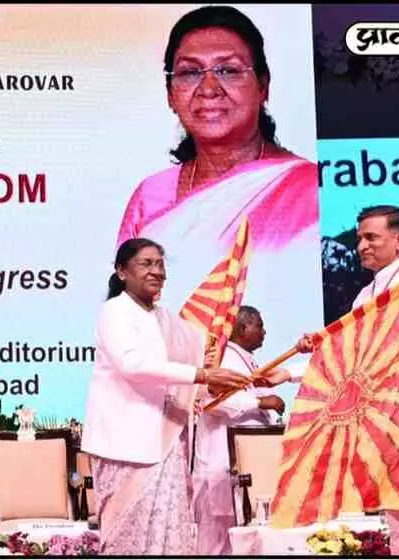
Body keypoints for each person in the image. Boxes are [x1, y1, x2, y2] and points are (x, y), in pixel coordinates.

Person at [259, 206, 399, 555]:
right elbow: (349, 358)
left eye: (371, 237)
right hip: (385, 428)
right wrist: (292, 370)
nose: (362, 246)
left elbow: (385, 344)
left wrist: (330, 337)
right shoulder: (365, 295)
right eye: (360, 238)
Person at [115, 5, 321, 361]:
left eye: (228, 70)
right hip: (169, 378)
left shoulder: (308, 187)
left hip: (283, 372)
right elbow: (126, 307)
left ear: (263, 85)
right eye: (189, 72)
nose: (209, 89)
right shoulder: (151, 195)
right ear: (170, 93)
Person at [80, 237, 252, 555]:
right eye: (146, 263)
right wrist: (201, 375)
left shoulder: (167, 320)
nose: (156, 271)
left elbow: (191, 367)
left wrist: (217, 381)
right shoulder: (115, 311)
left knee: (169, 533)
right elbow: (132, 365)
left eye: (160, 264)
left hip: (167, 441)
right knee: (125, 538)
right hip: (124, 443)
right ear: (121, 271)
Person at [192, 305, 286, 555]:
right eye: (260, 325)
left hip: (246, 467)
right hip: (221, 462)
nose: (264, 332)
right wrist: (261, 402)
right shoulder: (223, 358)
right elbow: (212, 401)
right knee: (217, 544)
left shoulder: (244, 358)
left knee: (242, 540)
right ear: (243, 328)